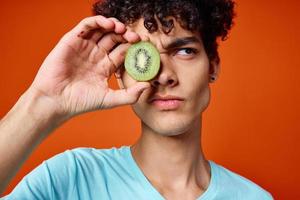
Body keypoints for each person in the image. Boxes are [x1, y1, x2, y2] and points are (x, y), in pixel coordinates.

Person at [0, 0, 274, 199]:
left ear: (212, 66)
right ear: (120, 72)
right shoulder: (72, 178)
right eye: (142, 55)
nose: (163, 76)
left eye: (185, 51)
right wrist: (42, 102)